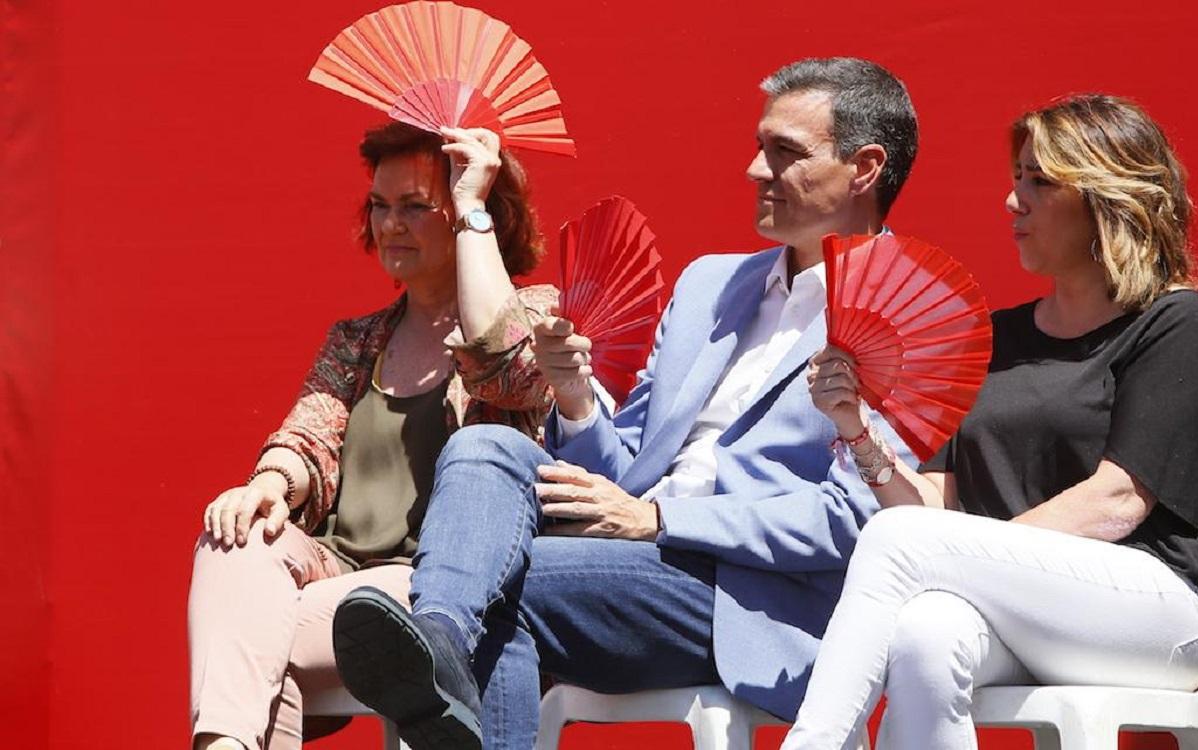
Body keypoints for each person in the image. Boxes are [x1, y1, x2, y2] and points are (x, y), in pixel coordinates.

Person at [330, 57, 920, 750]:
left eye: (785, 152)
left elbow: (857, 519)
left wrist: (661, 518)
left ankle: (440, 645)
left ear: (866, 168)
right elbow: (625, 467)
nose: (755, 171)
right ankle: (440, 642)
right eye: (760, 147)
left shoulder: (907, 308)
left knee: (504, 581)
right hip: (628, 558)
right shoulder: (710, 285)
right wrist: (577, 403)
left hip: (751, 597)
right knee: (485, 446)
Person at [783, 94, 1198, 749]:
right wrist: (854, 429)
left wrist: (969, 554)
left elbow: (1117, 502)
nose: (1013, 203)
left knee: (910, 549)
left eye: (1039, 182)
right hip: (1028, 606)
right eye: (1016, 180)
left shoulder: (1177, 323)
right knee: (927, 633)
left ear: (1105, 197)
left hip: (1155, 615)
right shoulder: (1000, 340)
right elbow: (939, 508)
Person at [188, 122, 557, 750]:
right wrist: (271, 484)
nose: (391, 224)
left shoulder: (536, 312)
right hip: (331, 566)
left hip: (428, 584)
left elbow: (509, 371)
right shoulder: (356, 339)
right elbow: (309, 431)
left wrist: (471, 208)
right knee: (234, 540)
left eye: (415, 207)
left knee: (253, 647)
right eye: (380, 206)